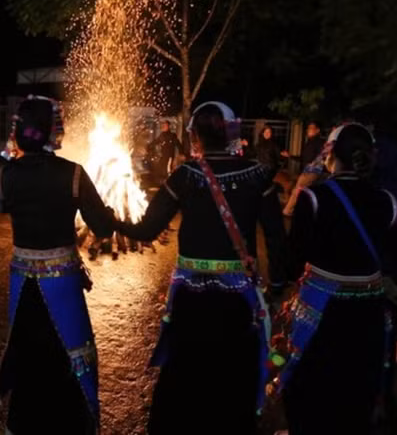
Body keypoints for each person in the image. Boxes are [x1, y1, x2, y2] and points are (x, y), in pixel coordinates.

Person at [117, 102, 283, 434]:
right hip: (238, 301)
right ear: (233, 132)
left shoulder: (185, 177)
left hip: (191, 301)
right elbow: (277, 239)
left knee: (185, 374)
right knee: (233, 375)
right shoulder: (257, 175)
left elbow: (147, 230)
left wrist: (111, 219)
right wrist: (277, 288)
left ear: (194, 135)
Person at [0, 96, 114, 435]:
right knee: (68, 354)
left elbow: (1, 206)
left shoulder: (8, 174)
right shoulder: (72, 174)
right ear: (53, 131)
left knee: (28, 351)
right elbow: (103, 228)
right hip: (62, 283)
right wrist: (111, 218)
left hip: (23, 283)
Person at [270, 123, 397, 435]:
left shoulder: (313, 198)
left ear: (330, 156)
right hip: (369, 313)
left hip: (322, 313)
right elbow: (394, 258)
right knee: (357, 386)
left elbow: (291, 261)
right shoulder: (387, 202)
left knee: (311, 385)